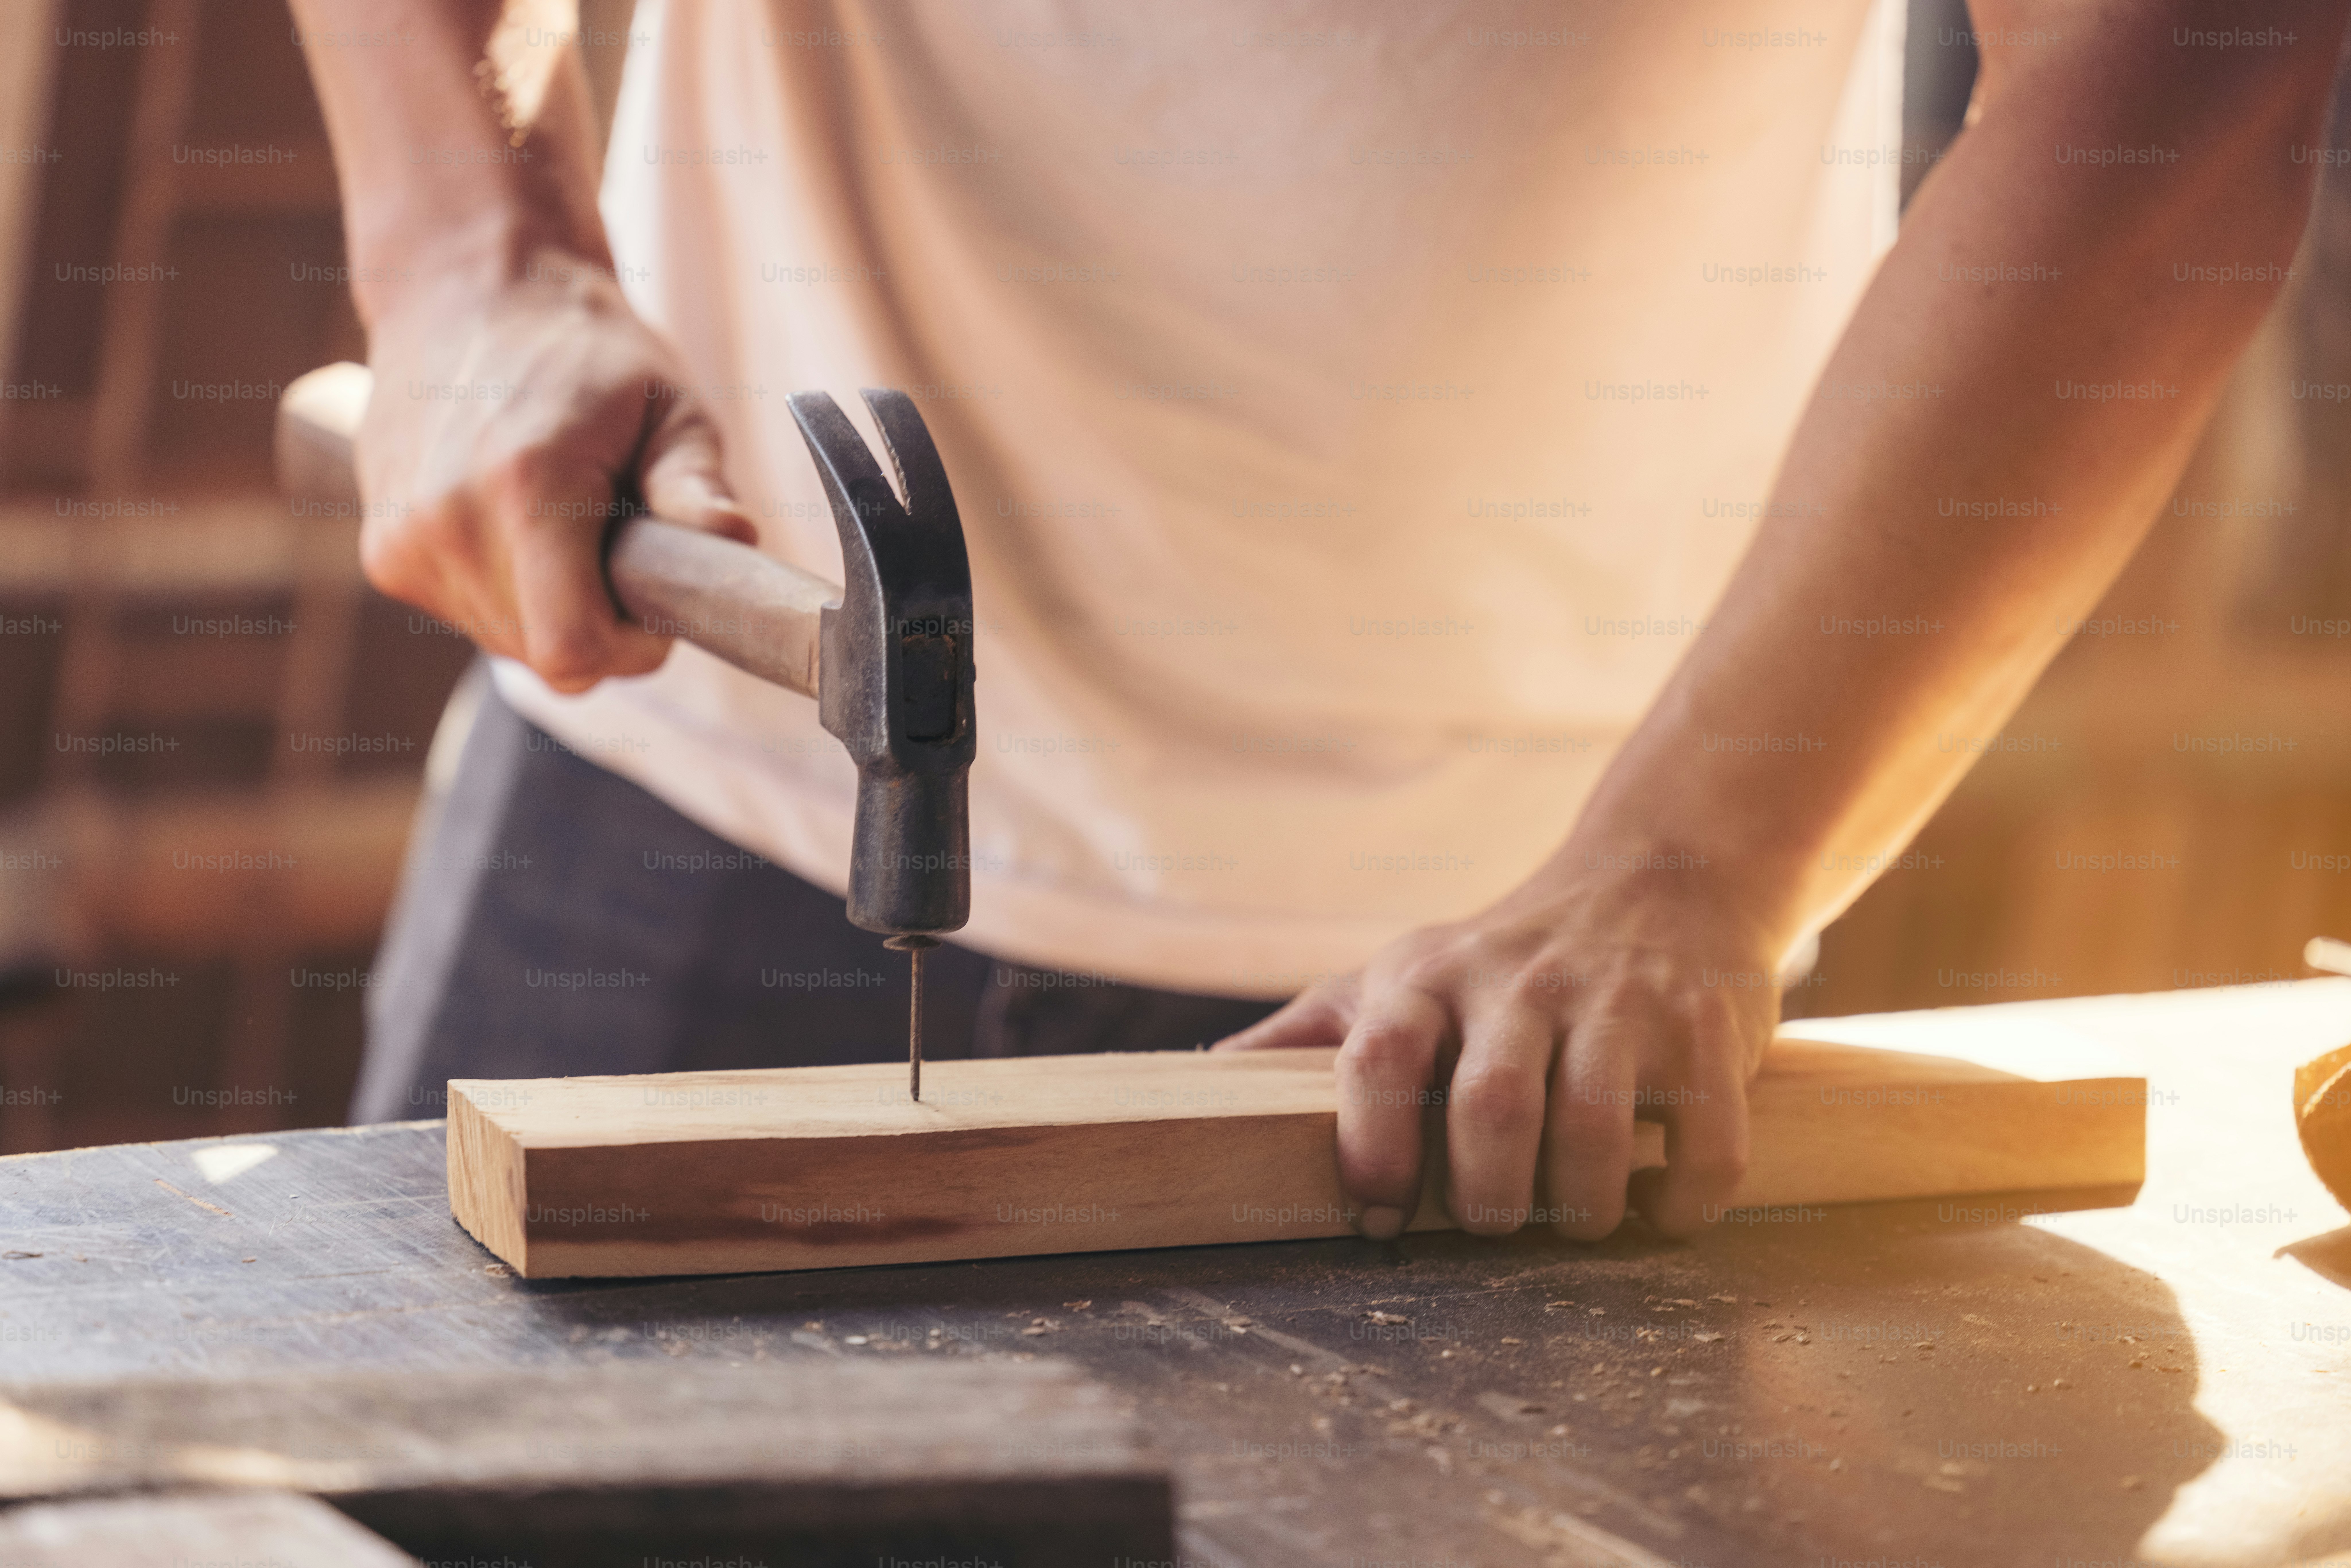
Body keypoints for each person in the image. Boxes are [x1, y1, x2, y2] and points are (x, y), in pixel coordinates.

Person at [293, 0, 2345, 1240]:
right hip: (679, 827)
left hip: (1529, 983)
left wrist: (1699, 858)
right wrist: (472, 247)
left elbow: (2175, 68)